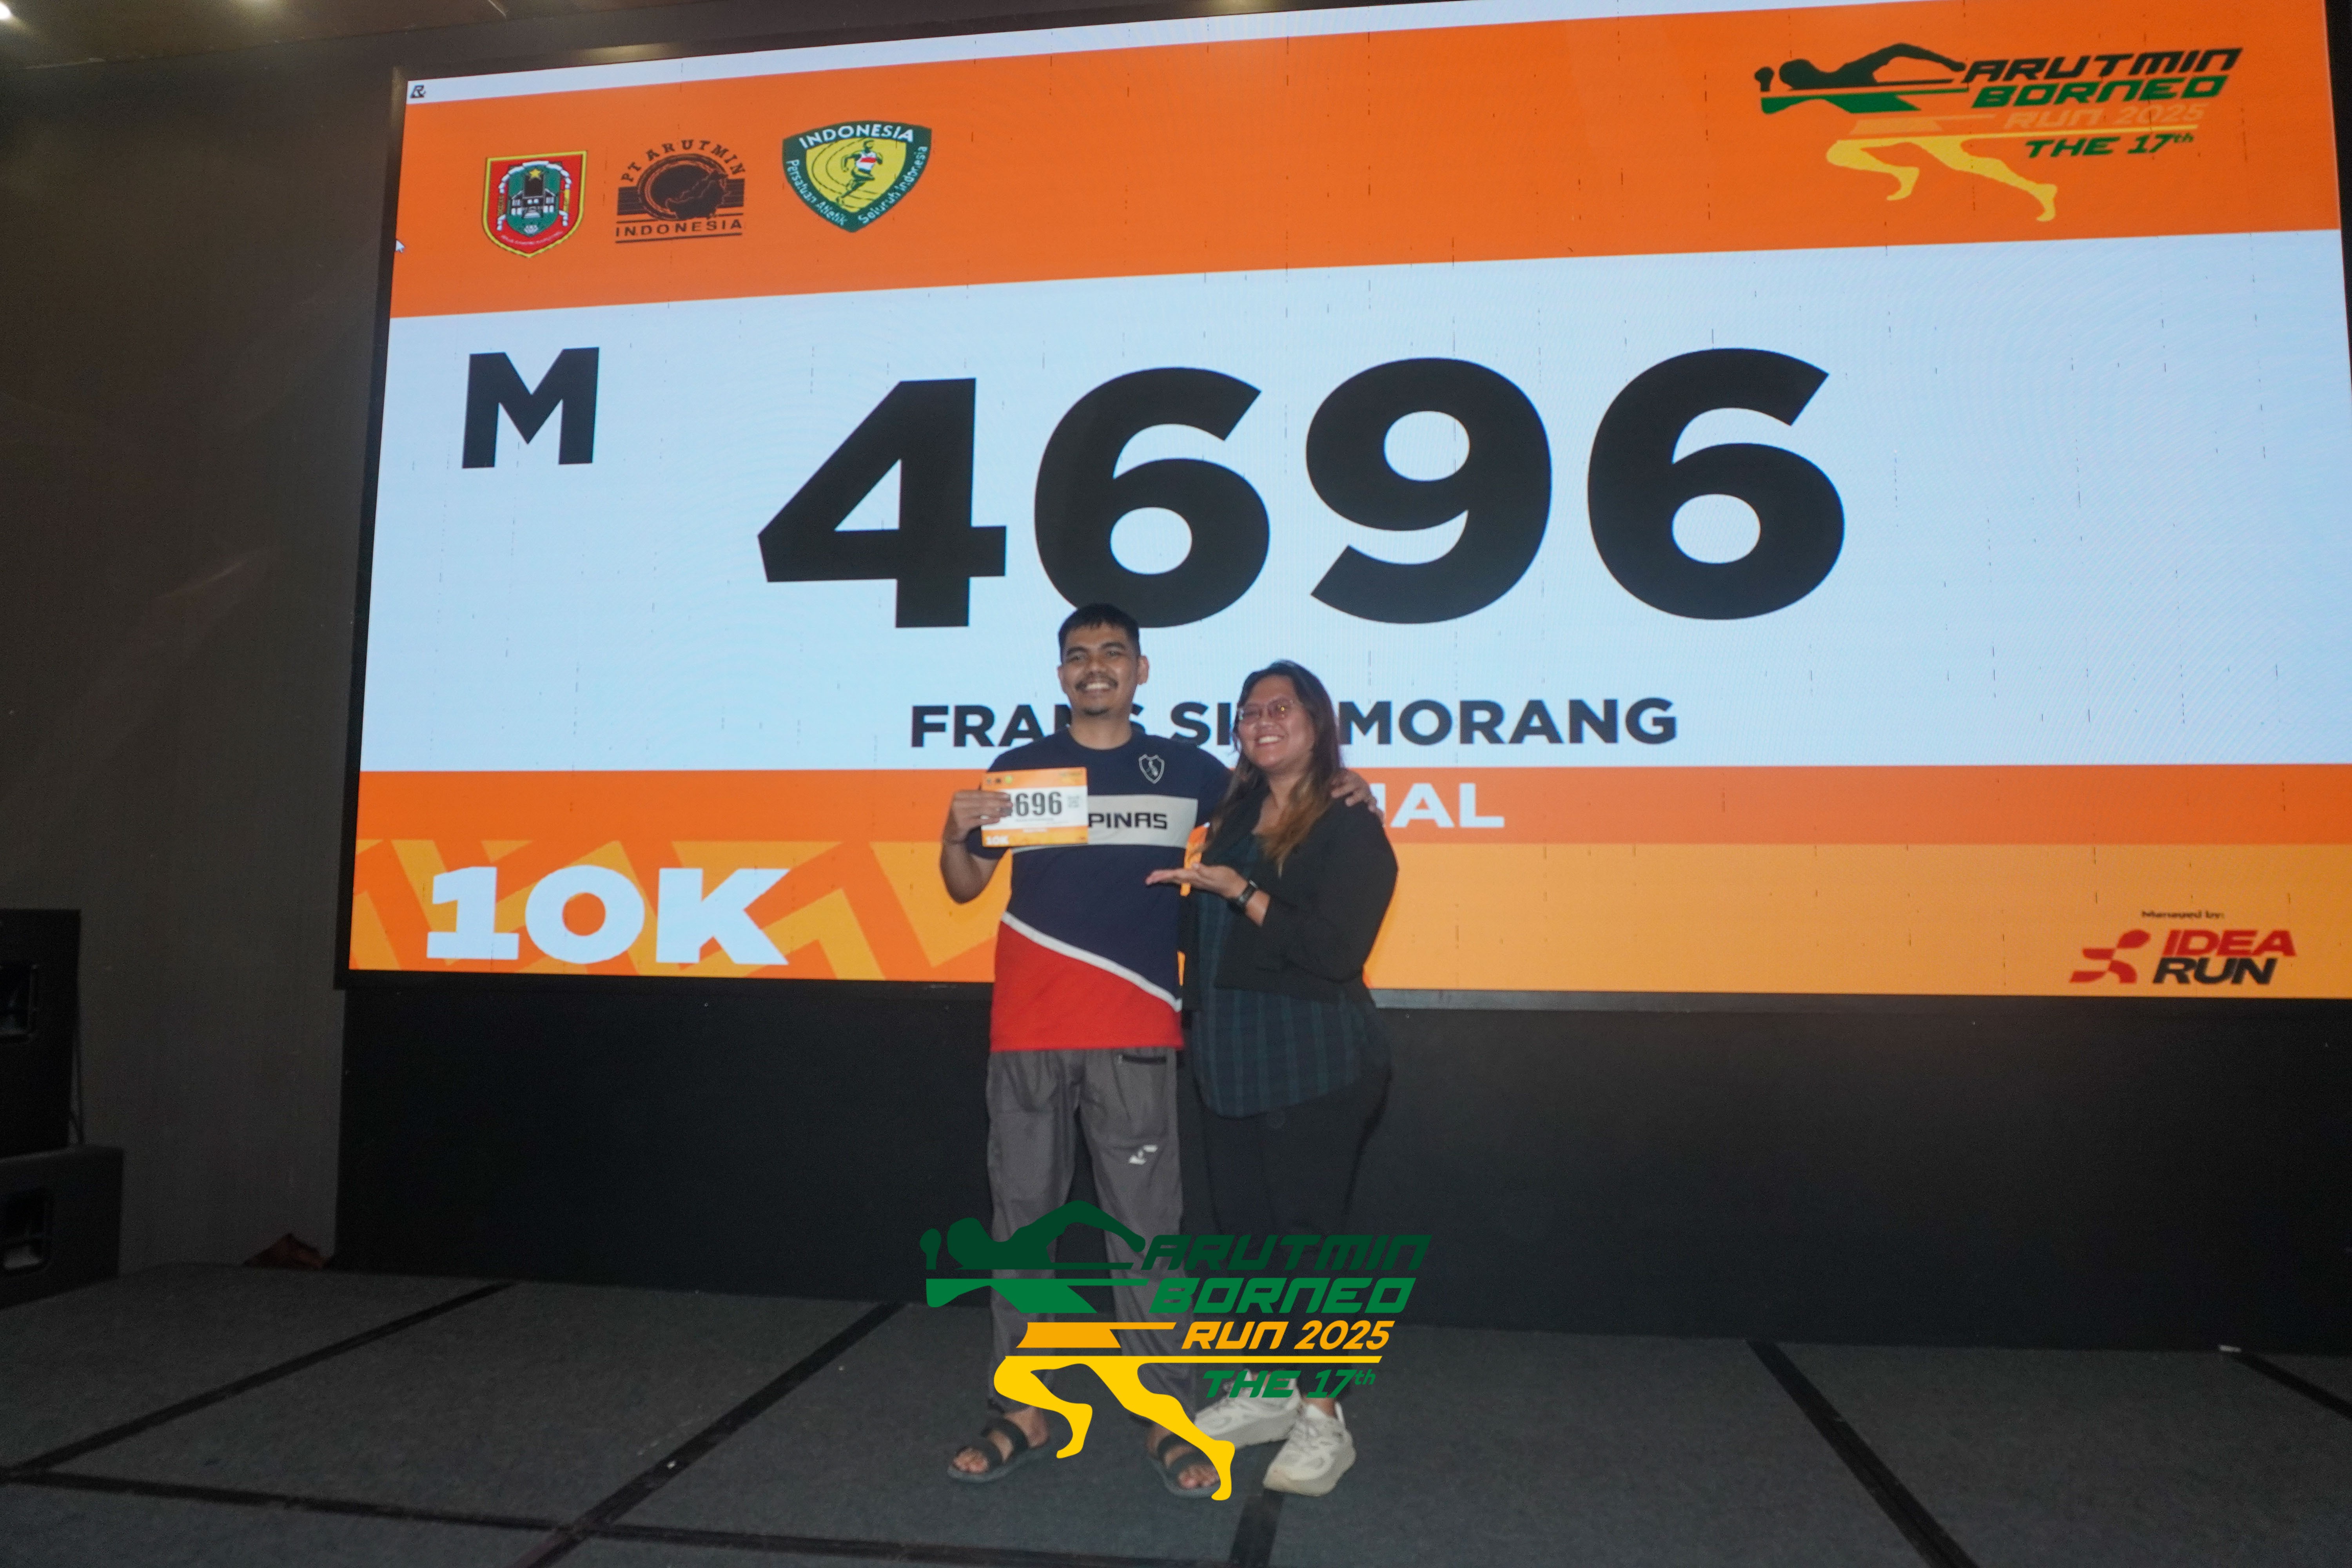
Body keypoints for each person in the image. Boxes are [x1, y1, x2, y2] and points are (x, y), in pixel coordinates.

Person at [936, 608, 1370, 1497]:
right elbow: (965, 883)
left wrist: (1345, 784)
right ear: (1062, 672)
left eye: (1113, 653)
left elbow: (1284, 795)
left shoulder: (1190, 770)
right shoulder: (1020, 769)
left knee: (1148, 1241)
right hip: (1026, 1030)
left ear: (1142, 670)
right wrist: (952, 832)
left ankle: (1167, 1409)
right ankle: (1024, 1407)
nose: (1094, 667)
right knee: (1022, 1230)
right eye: (1078, 656)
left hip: (1136, 1029)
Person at [1145, 660, 1398, 1499]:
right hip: (1230, 1057)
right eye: (1250, 711)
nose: (1262, 720)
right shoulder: (1231, 817)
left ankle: (1325, 1417)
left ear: (1317, 723)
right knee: (1246, 1238)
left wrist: (1241, 889)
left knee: (1311, 1246)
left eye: (1281, 707)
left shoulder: (1350, 824)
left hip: (1316, 1059)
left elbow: (1334, 952)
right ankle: (1267, 1386)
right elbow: (1206, 933)